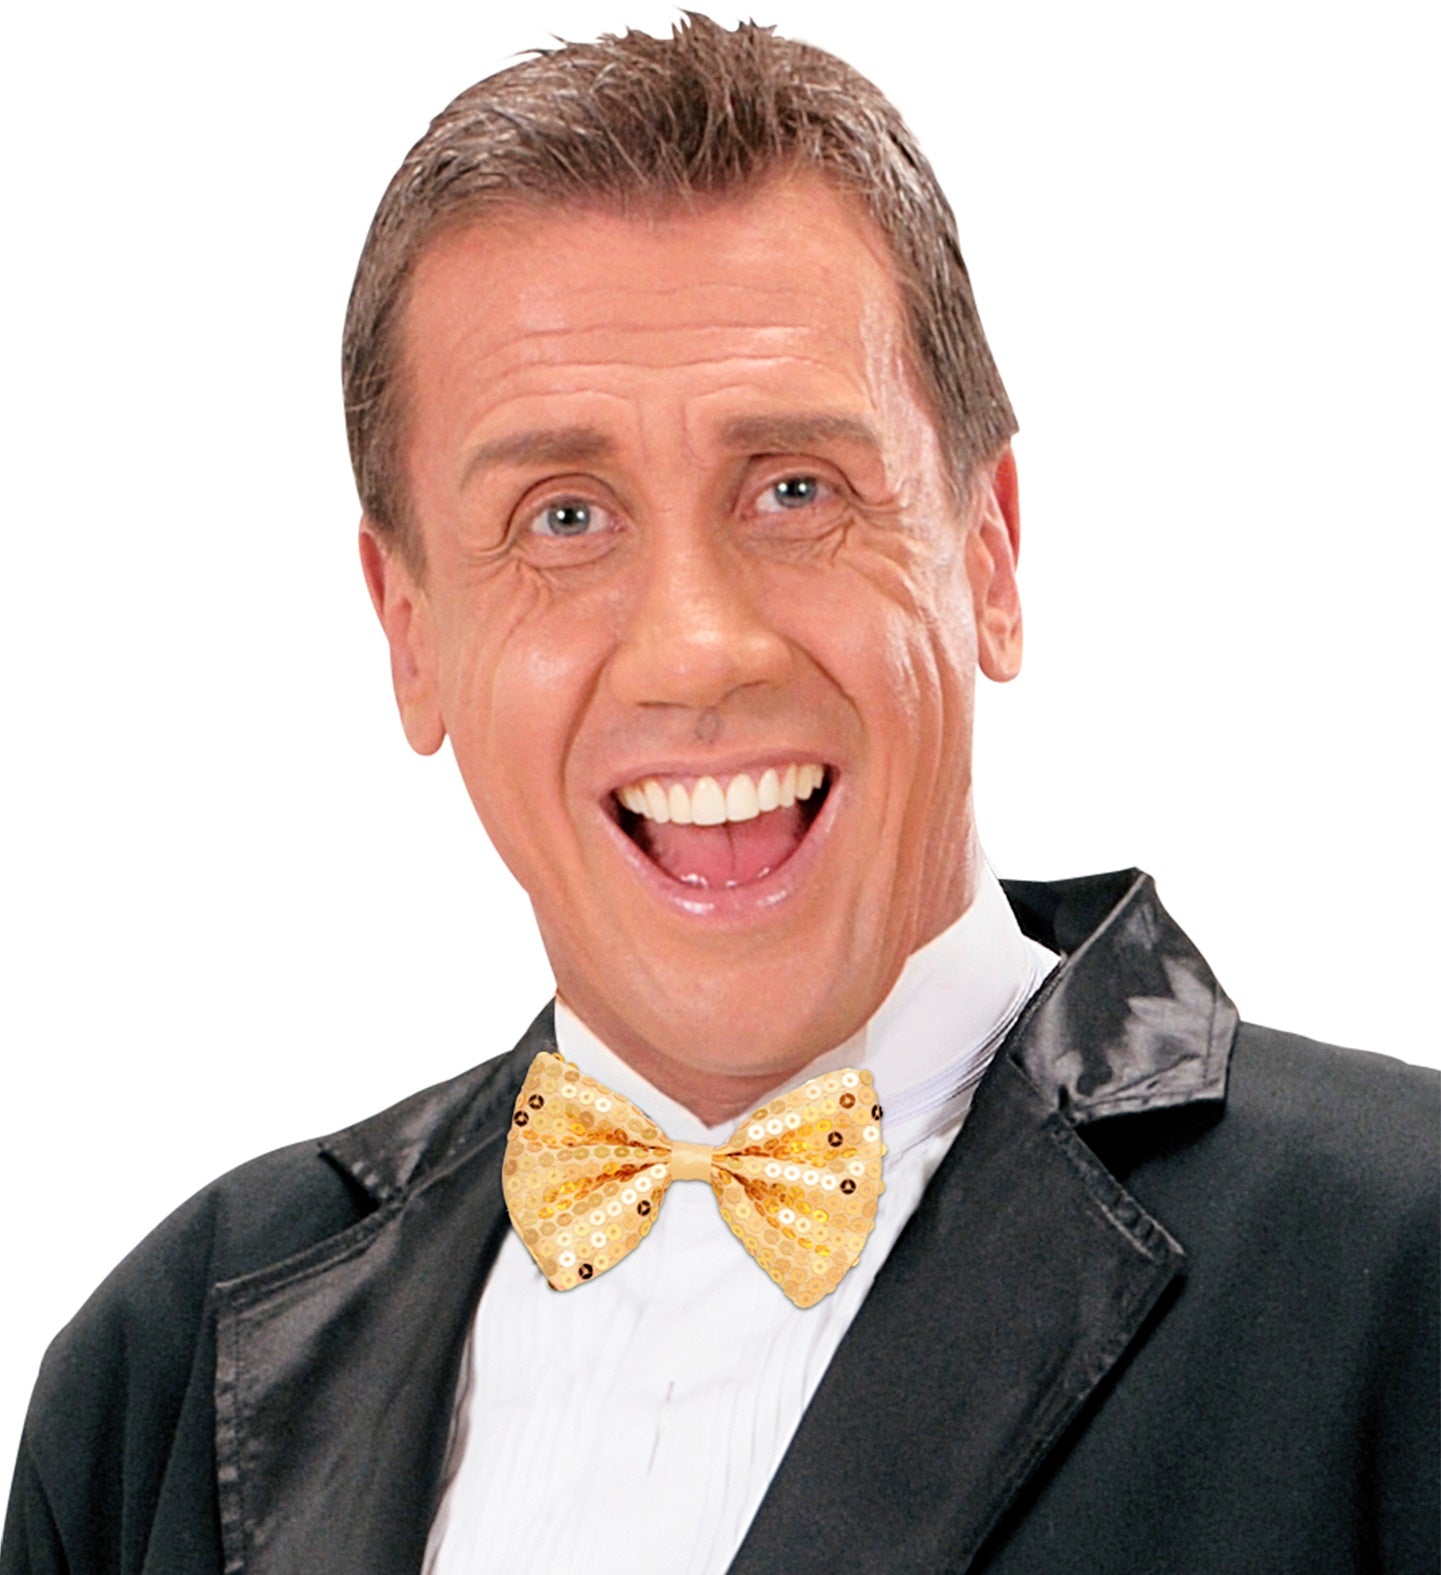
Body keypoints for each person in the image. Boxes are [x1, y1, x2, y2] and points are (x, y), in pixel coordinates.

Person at [3, 15, 1435, 1574]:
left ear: (989, 555)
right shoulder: (161, 1370)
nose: (696, 648)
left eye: (794, 490)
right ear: (409, 635)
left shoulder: (1400, 1266)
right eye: (562, 518)